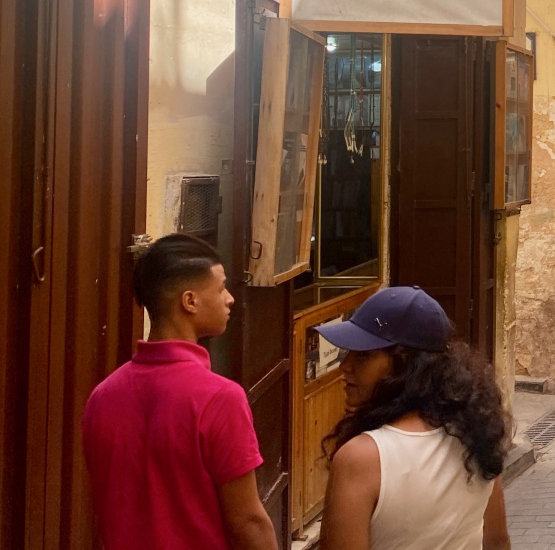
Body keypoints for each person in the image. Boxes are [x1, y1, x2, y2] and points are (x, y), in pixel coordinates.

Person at [82, 233, 278, 550]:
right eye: (221, 288)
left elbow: (103, 514)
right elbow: (247, 521)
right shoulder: (220, 397)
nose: (230, 298)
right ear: (190, 301)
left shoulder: (102, 396)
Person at [318, 286, 510, 550]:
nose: (345, 366)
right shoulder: (476, 436)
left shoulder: (361, 458)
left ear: (405, 365)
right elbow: (497, 542)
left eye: (364, 355)